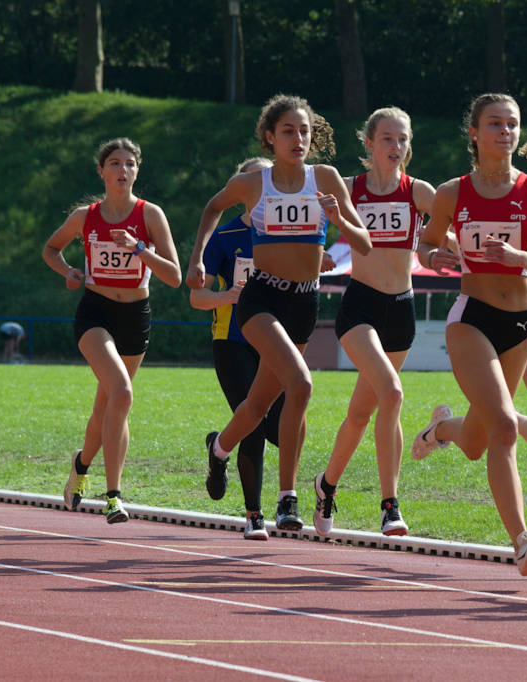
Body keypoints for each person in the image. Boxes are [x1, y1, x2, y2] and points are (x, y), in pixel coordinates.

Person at [187, 93, 371, 532]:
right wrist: (196, 259)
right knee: (301, 385)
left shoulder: (325, 178)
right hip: (261, 298)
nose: (299, 138)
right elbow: (212, 207)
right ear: (270, 137)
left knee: (256, 405)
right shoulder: (254, 184)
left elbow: (363, 244)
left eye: (305, 130)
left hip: (304, 301)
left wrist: (337, 217)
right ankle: (287, 498)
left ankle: (218, 450)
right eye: (289, 131)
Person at [412, 93, 527, 576]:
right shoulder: (451, 193)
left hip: (522, 322)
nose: (505, 132)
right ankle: (522, 540)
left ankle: (440, 428)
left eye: (512, 125)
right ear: (475, 133)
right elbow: (425, 243)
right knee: (505, 426)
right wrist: (433, 256)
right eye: (495, 124)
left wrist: (522, 258)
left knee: (479, 440)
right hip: (472, 319)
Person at [43, 137, 182, 523]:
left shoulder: (150, 215)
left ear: (138, 171)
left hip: (135, 316)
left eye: (131, 164)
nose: (124, 170)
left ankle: (81, 465)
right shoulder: (84, 216)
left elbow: (174, 277)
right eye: (116, 163)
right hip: (95, 314)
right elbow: (50, 249)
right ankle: (115, 496)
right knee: (122, 392)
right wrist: (69, 270)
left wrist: (140, 249)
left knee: (107, 406)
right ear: (101, 171)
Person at [311, 107, 436, 538]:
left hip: (401, 309)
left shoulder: (419, 192)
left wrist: (448, 249)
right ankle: (390, 504)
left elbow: (452, 230)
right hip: (360, 308)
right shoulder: (349, 189)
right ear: (369, 143)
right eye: (386, 138)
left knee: (361, 414)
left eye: (402, 139)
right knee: (393, 392)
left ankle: (325, 485)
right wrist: (317, 252)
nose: (395, 146)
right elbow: (304, 227)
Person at [190, 156, 286, 541]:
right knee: (255, 424)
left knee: (282, 428)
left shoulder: (285, 233)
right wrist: (227, 295)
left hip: (276, 341)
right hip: (231, 341)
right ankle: (254, 515)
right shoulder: (226, 236)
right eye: (253, 181)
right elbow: (196, 297)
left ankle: (218, 446)